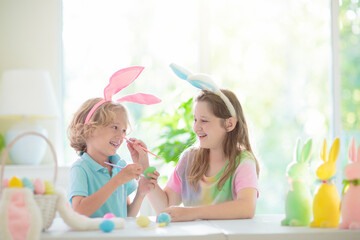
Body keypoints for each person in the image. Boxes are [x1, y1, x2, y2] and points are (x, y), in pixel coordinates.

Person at [147, 64, 259, 222]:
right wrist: (144, 170)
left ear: (229, 124)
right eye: (195, 119)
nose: (196, 127)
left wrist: (192, 213)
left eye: (204, 121)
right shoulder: (188, 159)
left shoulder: (243, 162)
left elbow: (246, 207)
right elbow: (165, 207)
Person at [67, 66, 161, 218]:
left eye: (124, 131)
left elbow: (128, 216)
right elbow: (79, 211)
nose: (121, 136)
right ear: (90, 129)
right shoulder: (80, 169)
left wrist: (141, 193)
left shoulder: (119, 167)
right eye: (115, 127)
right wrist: (117, 180)